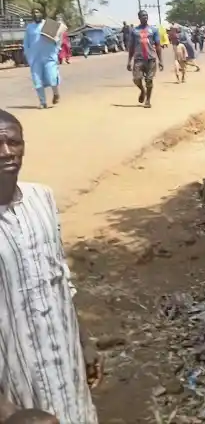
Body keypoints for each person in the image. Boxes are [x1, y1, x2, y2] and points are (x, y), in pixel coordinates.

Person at [0, 109, 100, 423]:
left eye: (14, 142)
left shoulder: (41, 198)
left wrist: (84, 341)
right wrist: (7, 411)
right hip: (16, 385)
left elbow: (60, 279)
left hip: (66, 367)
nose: (7, 152)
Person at [22, 9, 61, 109]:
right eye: (34, 13)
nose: (36, 14)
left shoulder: (48, 24)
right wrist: (27, 55)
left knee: (52, 77)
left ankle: (56, 93)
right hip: (35, 58)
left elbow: (57, 39)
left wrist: (56, 50)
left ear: (42, 13)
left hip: (49, 57)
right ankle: (42, 102)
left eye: (38, 12)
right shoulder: (29, 27)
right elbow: (26, 43)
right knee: (37, 81)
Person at [127, 10, 163, 109]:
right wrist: (129, 61)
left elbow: (158, 45)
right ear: (139, 17)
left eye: (146, 15)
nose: (145, 17)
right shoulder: (134, 31)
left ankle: (148, 100)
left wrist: (161, 61)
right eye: (143, 16)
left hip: (151, 59)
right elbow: (131, 47)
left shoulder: (153, 30)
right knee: (137, 79)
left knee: (149, 80)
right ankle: (142, 90)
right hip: (138, 59)